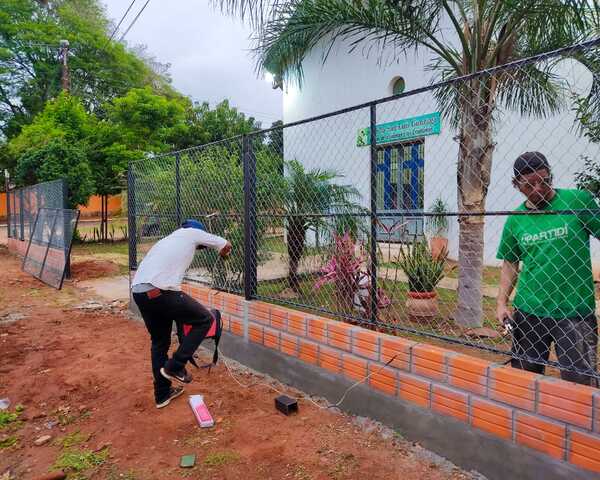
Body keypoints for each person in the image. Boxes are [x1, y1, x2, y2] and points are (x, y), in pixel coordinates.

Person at [496, 151, 599, 386]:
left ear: (550, 175)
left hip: (574, 312)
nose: (539, 188)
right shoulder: (516, 219)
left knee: (581, 384)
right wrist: (502, 302)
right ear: (516, 185)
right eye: (529, 184)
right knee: (524, 381)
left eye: (544, 180)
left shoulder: (577, 201)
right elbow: (510, 262)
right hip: (529, 311)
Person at [132, 219, 232, 408]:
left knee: (159, 343)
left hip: (139, 292)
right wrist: (224, 252)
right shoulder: (192, 232)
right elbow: (226, 244)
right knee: (204, 319)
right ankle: (176, 365)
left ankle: (162, 394)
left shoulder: (166, 240)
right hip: (161, 291)